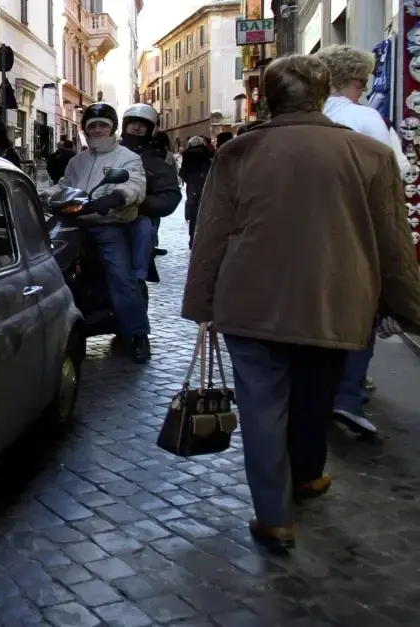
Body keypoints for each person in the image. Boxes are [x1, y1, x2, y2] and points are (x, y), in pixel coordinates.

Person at [182, 54, 420, 552]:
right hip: (336, 299)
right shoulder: (369, 154)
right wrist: (408, 307)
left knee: (263, 408)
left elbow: (212, 236)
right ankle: (308, 475)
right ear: (323, 92)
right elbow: (393, 245)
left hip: (250, 301)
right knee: (317, 394)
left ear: (267, 98)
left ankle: (275, 517)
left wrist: (202, 302)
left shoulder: (239, 153)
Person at [316, 44, 409, 436]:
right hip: (358, 228)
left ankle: (319, 393)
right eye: (362, 83)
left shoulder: (312, 117)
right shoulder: (365, 117)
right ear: (355, 80)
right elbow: (397, 171)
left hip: (313, 231)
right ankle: (348, 396)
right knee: (362, 311)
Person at [50, 102, 151, 363]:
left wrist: (118, 197)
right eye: (92, 126)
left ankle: (138, 335)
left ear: (113, 128)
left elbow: (136, 184)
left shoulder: (127, 158)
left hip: (110, 224)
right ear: (84, 129)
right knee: (48, 267)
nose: (97, 130)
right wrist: (38, 193)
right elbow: (64, 186)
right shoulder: (77, 160)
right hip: (75, 223)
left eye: (102, 126)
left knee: (120, 275)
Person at [118, 104, 182, 288]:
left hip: (138, 220)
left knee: (135, 278)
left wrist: (136, 204)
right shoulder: (110, 150)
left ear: (151, 129)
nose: (137, 128)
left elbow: (169, 195)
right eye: (133, 123)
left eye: (142, 125)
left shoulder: (159, 158)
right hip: (103, 217)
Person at [178, 136, 213, 248]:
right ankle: (203, 238)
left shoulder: (187, 154)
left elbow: (183, 172)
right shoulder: (208, 152)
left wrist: (188, 178)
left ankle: (192, 239)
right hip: (205, 184)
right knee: (205, 211)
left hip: (192, 185)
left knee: (193, 213)